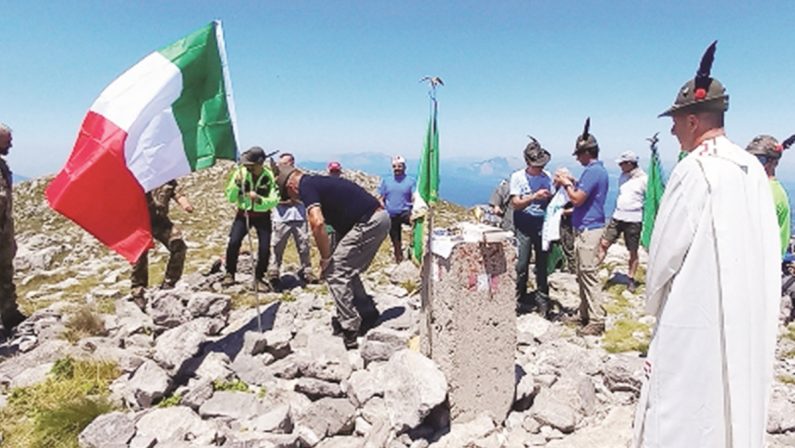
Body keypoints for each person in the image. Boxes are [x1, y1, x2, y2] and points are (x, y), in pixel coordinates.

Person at [632, 42, 779, 448]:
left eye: (677, 121)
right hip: (748, 311)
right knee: (734, 400)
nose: (673, 129)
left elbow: (665, 252)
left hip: (695, 310)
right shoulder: (751, 167)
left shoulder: (695, 169)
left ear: (693, 120)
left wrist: (653, 302)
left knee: (683, 405)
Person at [276, 166, 389, 349]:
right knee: (345, 268)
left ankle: (350, 329)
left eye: (288, 194)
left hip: (369, 222)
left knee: (335, 271)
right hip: (375, 219)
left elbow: (317, 223)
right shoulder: (316, 182)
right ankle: (367, 314)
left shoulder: (306, 186)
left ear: (291, 185)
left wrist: (326, 258)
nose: (292, 199)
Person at [554, 118, 609, 335]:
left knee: (588, 273)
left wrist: (567, 183)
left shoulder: (594, 171)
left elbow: (577, 199)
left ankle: (596, 318)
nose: (578, 158)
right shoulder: (596, 171)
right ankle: (585, 312)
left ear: (587, 152)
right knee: (582, 273)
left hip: (589, 230)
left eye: (579, 154)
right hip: (586, 228)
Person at [222, 147, 279, 290]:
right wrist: (236, 186)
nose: (246, 167)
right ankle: (230, 273)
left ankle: (259, 277)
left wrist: (259, 200)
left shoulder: (270, 176)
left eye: (249, 165)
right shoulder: (240, 173)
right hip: (243, 215)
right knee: (234, 242)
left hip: (263, 216)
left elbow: (275, 199)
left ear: (259, 163)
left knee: (264, 248)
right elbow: (230, 197)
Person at [130, 179, 193, 309]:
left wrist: (185, 204)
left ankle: (169, 283)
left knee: (178, 245)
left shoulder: (167, 176)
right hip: (140, 222)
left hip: (161, 222)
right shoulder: (138, 175)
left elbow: (178, 193)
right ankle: (138, 290)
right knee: (139, 254)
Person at [510, 137, 553, 316]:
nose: (540, 168)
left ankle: (542, 300)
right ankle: (519, 299)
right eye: (537, 165)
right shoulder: (518, 177)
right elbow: (515, 203)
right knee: (521, 264)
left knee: (542, 264)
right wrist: (533, 197)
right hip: (523, 223)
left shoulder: (547, 177)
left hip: (542, 224)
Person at [597, 151, 647, 292]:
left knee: (632, 251)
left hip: (634, 219)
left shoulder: (644, 179)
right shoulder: (623, 176)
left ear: (630, 163)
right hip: (618, 216)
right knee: (604, 243)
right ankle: (593, 271)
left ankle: (630, 278)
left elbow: (648, 199)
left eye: (622, 163)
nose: (620, 166)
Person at [268, 153, 315, 287]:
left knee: (304, 245)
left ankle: (307, 271)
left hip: (299, 216)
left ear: (291, 163)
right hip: (281, 217)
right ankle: (273, 271)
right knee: (277, 245)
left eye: (285, 163)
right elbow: (272, 195)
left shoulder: (299, 176)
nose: (282, 166)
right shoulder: (274, 177)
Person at [746, 134, 793, 256]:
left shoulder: (768, 192)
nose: (754, 165)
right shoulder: (757, 187)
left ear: (774, 163)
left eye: (759, 160)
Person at [0, 123, 26, 338]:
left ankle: (9, 314)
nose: (11, 144)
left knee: (5, 273)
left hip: (4, 233)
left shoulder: (2, 166)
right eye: (7, 140)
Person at [378, 155, 415, 263]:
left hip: (405, 211)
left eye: (399, 166)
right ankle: (399, 259)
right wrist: (382, 207)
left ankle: (414, 251)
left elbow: (414, 195)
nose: (397, 169)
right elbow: (381, 197)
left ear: (404, 167)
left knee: (416, 226)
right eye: (394, 166)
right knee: (395, 240)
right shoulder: (386, 180)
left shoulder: (411, 180)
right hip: (391, 213)